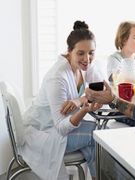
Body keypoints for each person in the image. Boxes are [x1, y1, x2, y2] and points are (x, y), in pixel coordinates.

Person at [21, 21, 102, 180]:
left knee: (98, 136)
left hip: (61, 128)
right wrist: (85, 108)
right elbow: (61, 128)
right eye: (81, 53)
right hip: (45, 133)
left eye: (91, 52)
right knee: (99, 137)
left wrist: (81, 100)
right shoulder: (57, 77)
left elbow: (100, 89)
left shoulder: (83, 65)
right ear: (69, 51)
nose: (87, 58)